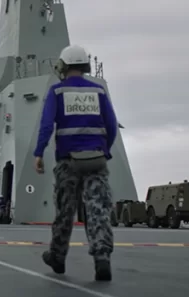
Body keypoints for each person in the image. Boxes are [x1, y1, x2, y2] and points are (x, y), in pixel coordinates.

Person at [33, 44, 119, 282]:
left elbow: (47, 125)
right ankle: (102, 257)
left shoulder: (57, 91)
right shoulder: (98, 91)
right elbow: (111, 126)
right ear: (86, 66)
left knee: (65, 210)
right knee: (98, 209)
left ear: (62, 66)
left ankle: (58, 257)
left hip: (68, 161)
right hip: (97, 159)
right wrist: (104, 150)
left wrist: (39, 152)